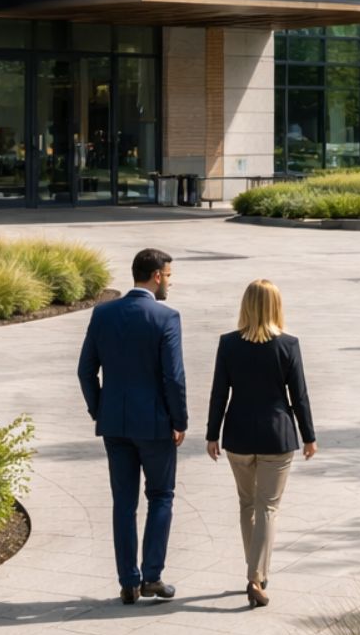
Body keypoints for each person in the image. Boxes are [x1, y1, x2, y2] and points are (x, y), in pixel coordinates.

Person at [77, 248, 187, 605]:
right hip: (156, 426)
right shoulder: (166, 317)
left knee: (123, 502)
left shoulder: (103, 313)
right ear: (156, 276)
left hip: (115, 425)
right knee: (161, 496)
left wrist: (99, 409)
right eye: (168, 275)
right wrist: (180, 421)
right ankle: (152, 576)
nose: (170, 281)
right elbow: (174, 377)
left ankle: (128, 582)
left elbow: (85, 370)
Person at [205, 279, 317, 608]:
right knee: (268, 506)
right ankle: (256, 576)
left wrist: (212, 433)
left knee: (247, 505)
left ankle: (256, 569)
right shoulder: (288, 345)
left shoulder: (228, 344)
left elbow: (218, 393)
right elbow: (300, 396)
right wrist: (309, 436)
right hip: (276, 435)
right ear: (276, 307)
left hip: (238, 435)